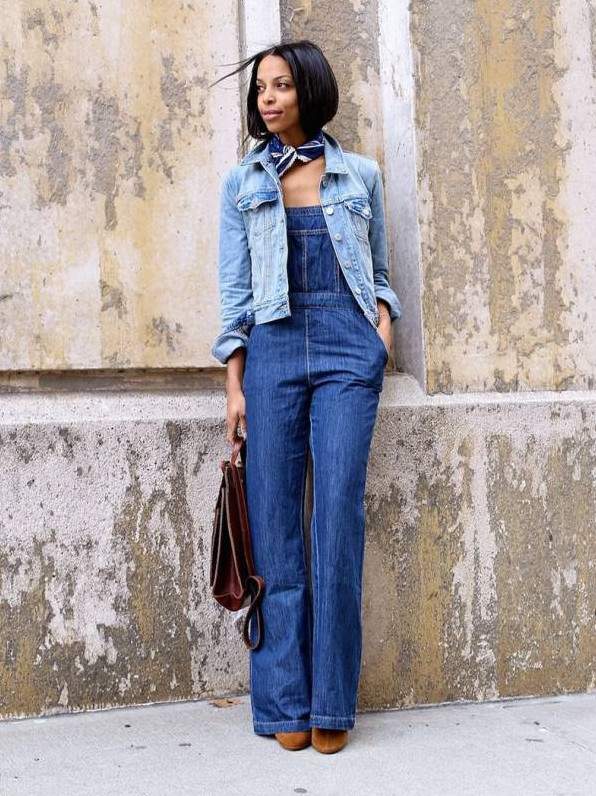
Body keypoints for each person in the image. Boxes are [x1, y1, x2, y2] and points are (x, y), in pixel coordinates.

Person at [209, 40, 402, 754]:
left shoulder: (360, 175)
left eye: (282, 85)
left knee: (337, 520)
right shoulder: (243, 183)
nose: (268, 98)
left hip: (348, 347)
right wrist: (235, 384)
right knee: (275, 527)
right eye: (262, 87)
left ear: (310, 91)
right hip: (274, 349)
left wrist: (380, 332)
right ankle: (283, 699)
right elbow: (235, 296)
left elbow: (378, 272)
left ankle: (331, 702)